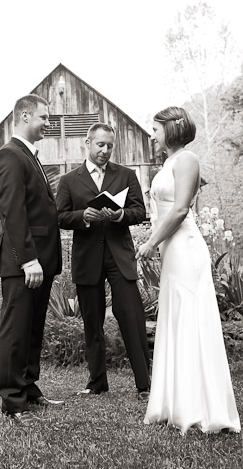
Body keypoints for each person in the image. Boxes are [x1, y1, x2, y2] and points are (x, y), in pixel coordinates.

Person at [136, 106, 241, 435]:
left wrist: (151, 243)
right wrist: (157, 242)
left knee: (191, 318)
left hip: (185, 248)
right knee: (175, 319)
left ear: (172, 129)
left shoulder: (187, 160)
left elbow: (181, 209)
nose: (152, 135)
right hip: (172, 249)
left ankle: (200, 404)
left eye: (155, 129)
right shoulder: (167, 162)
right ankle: (174, 400)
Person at [56, 122, 151, 398]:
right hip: (87, 258)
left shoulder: (126, 175)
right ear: (87, 144)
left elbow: (139, 211)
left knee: (131, 318)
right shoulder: (69, 180)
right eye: (100, 145)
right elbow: (60, 217)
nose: (106, 150)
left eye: (110, 146)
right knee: (92, 322)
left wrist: (121, 216)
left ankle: (144, 385)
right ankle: (97, 383)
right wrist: (82, 216)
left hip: (119, 256)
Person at [0, 94, 64, 427]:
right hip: (24, 262)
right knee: (17, 329)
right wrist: (28, 260)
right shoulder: (9, 156)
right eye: (45, 118)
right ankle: (12, 399)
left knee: (34, 329)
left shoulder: (30, 156)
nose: (49, 123)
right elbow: (13, 213)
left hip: (42, 261)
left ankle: (29, 388)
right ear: (25, 115)